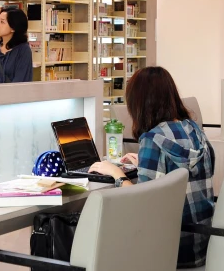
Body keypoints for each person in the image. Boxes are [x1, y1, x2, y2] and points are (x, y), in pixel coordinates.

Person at [89, 66, 215, 269]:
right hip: (204, 242)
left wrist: (117, 174)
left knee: (99, 236)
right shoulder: (195, 130)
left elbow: (144, 204)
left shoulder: (153, 139)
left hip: (172, 249)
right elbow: (190, 172)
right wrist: (148, 163)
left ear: (139, 103)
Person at [0, 7, 33, 84]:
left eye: (2, 22)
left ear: (13, 27)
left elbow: (21, 82)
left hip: (13, 95)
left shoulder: (23, 50)